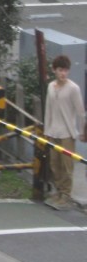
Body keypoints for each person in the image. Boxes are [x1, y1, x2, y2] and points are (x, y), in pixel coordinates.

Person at [43, 54, 85, 211]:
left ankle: (66, 195)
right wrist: (47, 130)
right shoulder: (51, 87)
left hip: (67, 133)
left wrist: (82, 131)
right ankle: (59, 191)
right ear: (54, 70)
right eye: (60, 70)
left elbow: (81, 112)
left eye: (66, 70)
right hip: (53, 132)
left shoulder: (73, 88)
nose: (63, 73)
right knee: (54, 164)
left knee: (67, 166)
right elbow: (48, 110)